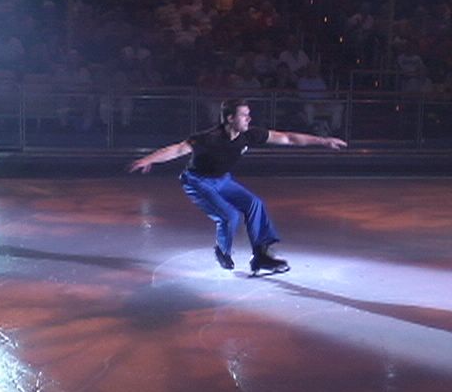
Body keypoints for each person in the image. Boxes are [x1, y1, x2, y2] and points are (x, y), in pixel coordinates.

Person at [129, 98, 347, 274]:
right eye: (244, 115)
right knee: (229, 216)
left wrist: (323, 141)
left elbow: (287, 138)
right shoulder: (210, 138)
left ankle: (261, 256)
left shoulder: (249, 135)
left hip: (222, 180)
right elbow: (177, 149)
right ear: (230, 118)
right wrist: (149, 159)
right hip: (197, 181)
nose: (249, 118)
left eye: (248, 114)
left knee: (255, 204)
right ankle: (222, 251)